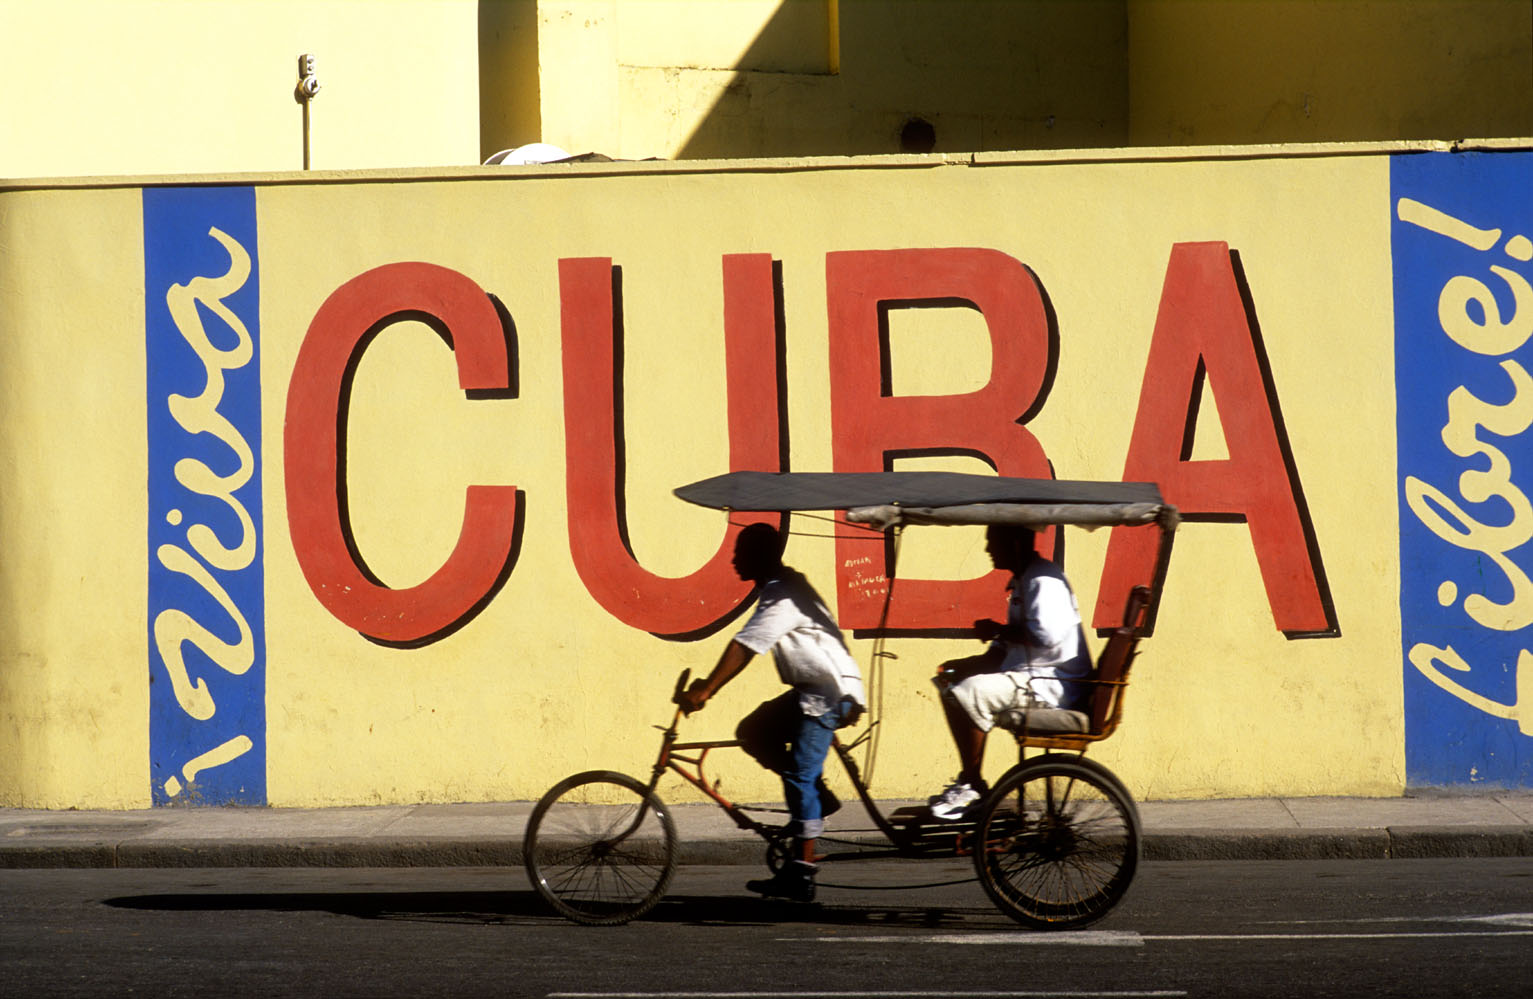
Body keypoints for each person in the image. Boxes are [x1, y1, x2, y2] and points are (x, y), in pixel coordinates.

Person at [676, 522, 866, 902]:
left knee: (800, 774)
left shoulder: (783, 596)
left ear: (761, 557)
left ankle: (803, 873)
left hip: (827, 694)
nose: (733, 559)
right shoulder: (781, 589)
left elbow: (746, 646)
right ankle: (819, 801)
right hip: (813, 691)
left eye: (740, 553)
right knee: (754, 731)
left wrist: (706, 690)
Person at [927, 523, 1091, 820]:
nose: (988, 550)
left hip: (1053, 684)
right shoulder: (1024, 579)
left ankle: (972, 786)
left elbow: (1046, 637)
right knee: (949, 683)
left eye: (993, 542)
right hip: (1032, 676)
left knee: (971, 691)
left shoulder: (1042, 580)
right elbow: (1013, 647)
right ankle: (971, 779)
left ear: (1014, 544)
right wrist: (970, 663)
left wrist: (998, 630)